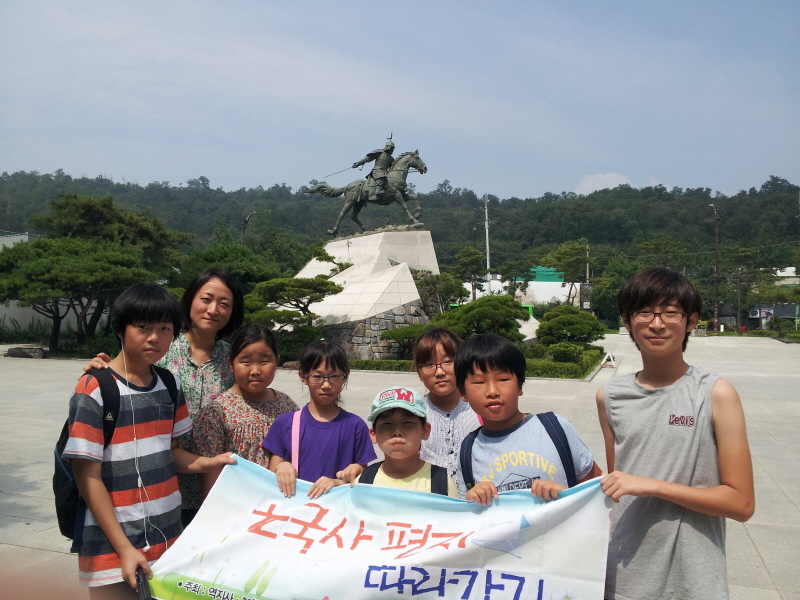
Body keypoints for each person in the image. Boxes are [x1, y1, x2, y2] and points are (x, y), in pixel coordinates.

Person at [62, 284, 235, 598]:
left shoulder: (169, 385)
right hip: (111, 545)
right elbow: (87, 476)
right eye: (143, 327)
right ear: (120, 329)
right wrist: (125, 549)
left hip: (167, 538)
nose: (154, 337)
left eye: (164, 328)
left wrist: (210, 463)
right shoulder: (95, 388)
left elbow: (172, 453)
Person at [597, 268, 755, 600]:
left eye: (670, 312)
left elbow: (741, 503)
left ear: (691, 321)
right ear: (627, 321)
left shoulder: (715, 393)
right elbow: (618, 488)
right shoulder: (609, 397)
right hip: (625, 574)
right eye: (644, 312)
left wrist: (652, 485)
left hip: (693, 577)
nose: (657, 324)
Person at [86, 268, 245, 525]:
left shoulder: (234, 359)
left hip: (216, 483)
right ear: (190, 300)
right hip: (156, 485)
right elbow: (124, 371)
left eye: (224, 303)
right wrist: (102, 370)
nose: (213, 309)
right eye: (206, 299)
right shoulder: (159, 346)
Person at [456, 334, 602, 505]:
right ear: (462, 393)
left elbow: (598, 488)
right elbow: (466, 518)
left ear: (519, 385)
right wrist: (472, 500)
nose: (492, 391)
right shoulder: (468, 450)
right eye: (479, 382)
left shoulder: (555, 428)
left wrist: (566, 495)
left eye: (503, 379)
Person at [263, 340, 376, 499]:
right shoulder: (285, 423)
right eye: (317, 376)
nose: (326, 385)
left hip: (336, 511)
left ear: (345, 377)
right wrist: (282, 467)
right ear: (303, 376)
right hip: (295, 511)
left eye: (334, 376)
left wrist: (339, 482)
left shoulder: (355, 425)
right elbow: (272, 473)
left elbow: (361, 478)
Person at [195, 325, 298, 488]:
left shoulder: (287, 406)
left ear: (276, 361)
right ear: (231, 363)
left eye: (264, 361)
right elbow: (211, 474)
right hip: (235, 502)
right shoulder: (217, 412)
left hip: (278, 503)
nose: (255, 370)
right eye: (246, 362)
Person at [357, 386, 459, 498]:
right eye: (386, 424)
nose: (397, 432)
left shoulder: (441, 482)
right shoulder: (363, 482)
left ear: (425, 430)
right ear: (374, 434)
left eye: (407, 423)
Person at [413, 328, 480, 498]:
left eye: (448, 361)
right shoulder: (413, 414)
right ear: (419, 373)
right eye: (428, 365)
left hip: (477, 504)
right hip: (429, 504)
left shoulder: (480, 410)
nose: (440, 372)